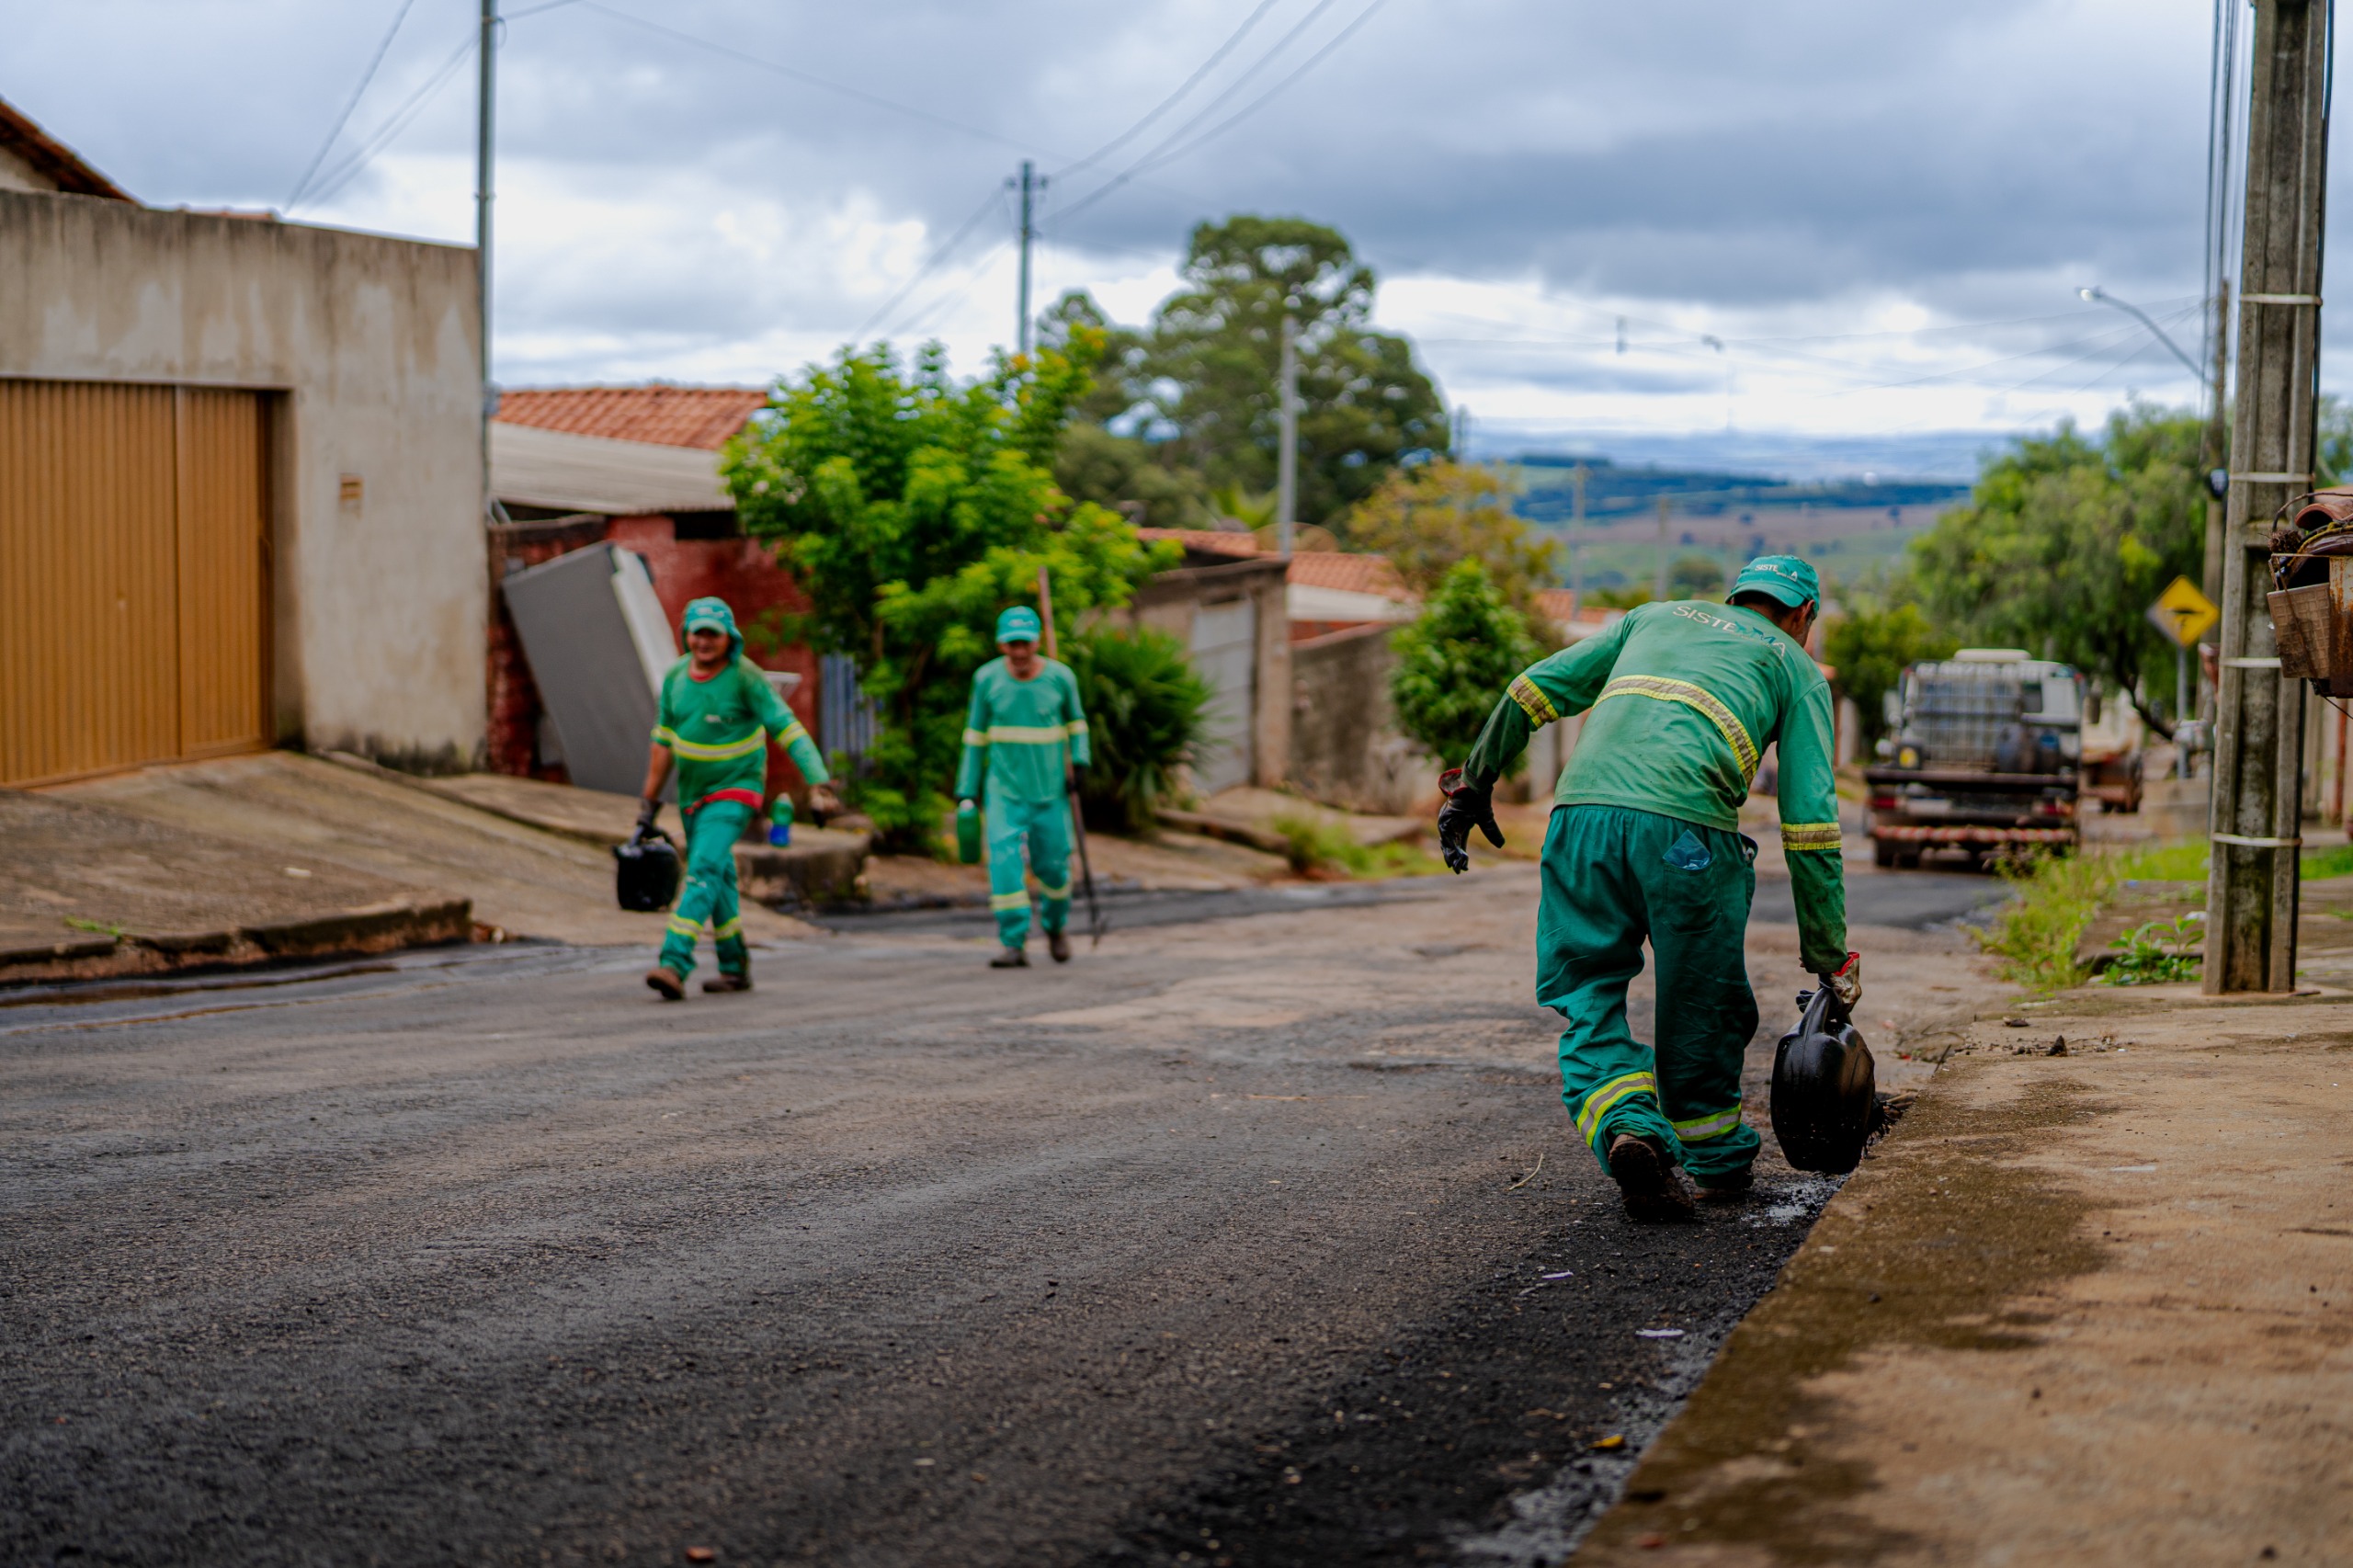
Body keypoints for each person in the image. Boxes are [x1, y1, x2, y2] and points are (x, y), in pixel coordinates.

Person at [1436, 555, 1859, 1221]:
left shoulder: (1650, 619)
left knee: (1587, 993)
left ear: (1735, 597)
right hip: (1688, 835)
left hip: (1578, 819)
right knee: (1702, 1003)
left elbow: (1530, 690)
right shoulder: (1796, 667)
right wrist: (1828, 951)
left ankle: (1628, 1128)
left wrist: (1473, 785)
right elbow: (1809, 826)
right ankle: (1716, 1161)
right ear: (1804, 616)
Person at [637, 597, 837, 1001]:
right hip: (692, 796)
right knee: (719, 878)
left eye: (714, 633)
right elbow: (662, 744)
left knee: (702, 868)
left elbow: (787, 729)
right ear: (687, 635)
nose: (705, 641)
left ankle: (674, 962)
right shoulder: (676, 678)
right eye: (698, 633)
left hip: (736, 791)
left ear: (730, 639)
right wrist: (649, 804)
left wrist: (820, 783)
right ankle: (734, 966)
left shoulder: (746, 678)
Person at [956, 605, 1090, 969]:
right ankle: (1013, 942)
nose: (1019, 652)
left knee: (1054, 869)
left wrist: (1080, 761)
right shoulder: (986, 680)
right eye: (1011, 644)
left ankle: (1056, 926)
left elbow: (1077, 722)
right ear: (1001, 645)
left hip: (1050, 795)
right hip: (1003, 792)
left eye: (1025, 644)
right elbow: (974, 736)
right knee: (1003, 864)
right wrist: (967, 789)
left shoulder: (1061, 678)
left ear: (1037, 642)